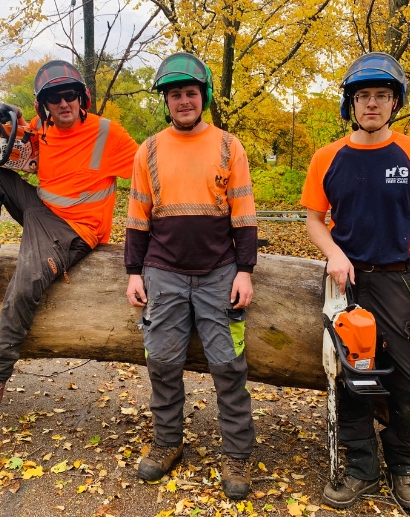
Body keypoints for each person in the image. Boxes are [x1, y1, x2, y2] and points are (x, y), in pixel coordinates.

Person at [300, 52, 410, 512]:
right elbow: (313, 219)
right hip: (346, 284)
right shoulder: (329, 157)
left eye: (382, 96)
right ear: (350, 103)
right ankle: (362, 468)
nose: (372, 104)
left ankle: (403, 468)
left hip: (397, 280)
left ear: (395, 102)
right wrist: (335, 254)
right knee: (351, 378)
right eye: (363, 96)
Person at [0, 59, 138, 419]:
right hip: (40, 210)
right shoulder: (42, 126)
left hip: (75, 230)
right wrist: (6, 132)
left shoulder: (107, 133)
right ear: (44, 106)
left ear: (81, 98)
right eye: (55, 99)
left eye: (69, 96)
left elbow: (150, 171)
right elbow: (21, 140)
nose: (64, 104)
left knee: (25, 285)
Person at [124, 52, 258, 500]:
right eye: (175, 94)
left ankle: (237, 454)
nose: (183, 101)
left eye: (191, 93)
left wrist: (245, 271)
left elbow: (244, 212)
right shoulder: (150, 149)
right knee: (162, 365)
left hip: (220, 273)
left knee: (228, 367)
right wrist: (133, 272)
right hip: (163, 273)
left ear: (204, 98)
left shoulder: (228, 145)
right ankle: (167, 443)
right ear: (166, 101)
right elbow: (137, 215)